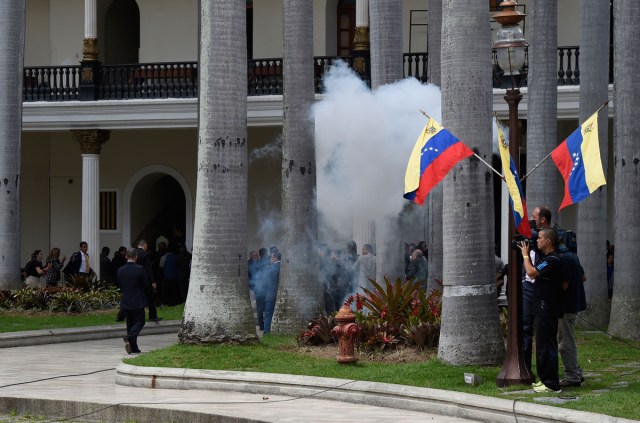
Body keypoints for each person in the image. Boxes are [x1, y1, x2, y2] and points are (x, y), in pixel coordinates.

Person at [519, 228, 564, 393]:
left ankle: (552, 383)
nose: (537, 241)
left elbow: (531, 272)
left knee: (547, 346)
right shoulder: (546, 258)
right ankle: (545, 379)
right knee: (542, 345)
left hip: (547, 308)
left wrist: (525, 254)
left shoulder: (552, 259)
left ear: (548, 241)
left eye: (540, 238)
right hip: (543, 307)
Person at [521, 206, 552, 373]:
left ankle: (545, 372)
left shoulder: (550, 243)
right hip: (527, 287)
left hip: (541, 289)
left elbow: (533, 272)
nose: (530, 220)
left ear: (542, 220)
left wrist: (526, 254)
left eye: (533, 217)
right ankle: (525, 369)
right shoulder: (531, 239)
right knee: (525, 327)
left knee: (542, 332)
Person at [558, 248, 587, 387]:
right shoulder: (573, 256)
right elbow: (583, 277)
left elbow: (564, 285)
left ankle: (572, 375)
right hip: (573, 305)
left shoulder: (564, 259)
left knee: (565, 341)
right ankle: (575, 371)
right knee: (567, 339)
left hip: (565, 307)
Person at [118, 248, 149, 354]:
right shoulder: (140, 269)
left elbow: (120, 285)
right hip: (138, 300)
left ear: (126, 256)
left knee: (130, 325)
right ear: (136, 257)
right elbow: (146, 285)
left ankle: (134, 347)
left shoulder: (120, 270)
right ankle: (129, 337)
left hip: (126, 300)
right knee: (140, 322)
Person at [136, 240, 161, 322]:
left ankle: (138, 317)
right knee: (150, 298)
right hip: (145, 280)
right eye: (146, 246)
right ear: (144, 245)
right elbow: (149, 269)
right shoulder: (146, 254)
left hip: (135, 279)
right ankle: (152, 315)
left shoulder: (133, 253)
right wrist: (153, 281)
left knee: (137, 298)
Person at [263, 251, 281, 334]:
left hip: (271, 294)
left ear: (275, 258)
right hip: (280, 294)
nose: (270, 259)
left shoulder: (270, 268)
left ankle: (266, 332)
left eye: (271, 257)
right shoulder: (282, 267)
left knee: (268, 313)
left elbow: (265, 281)